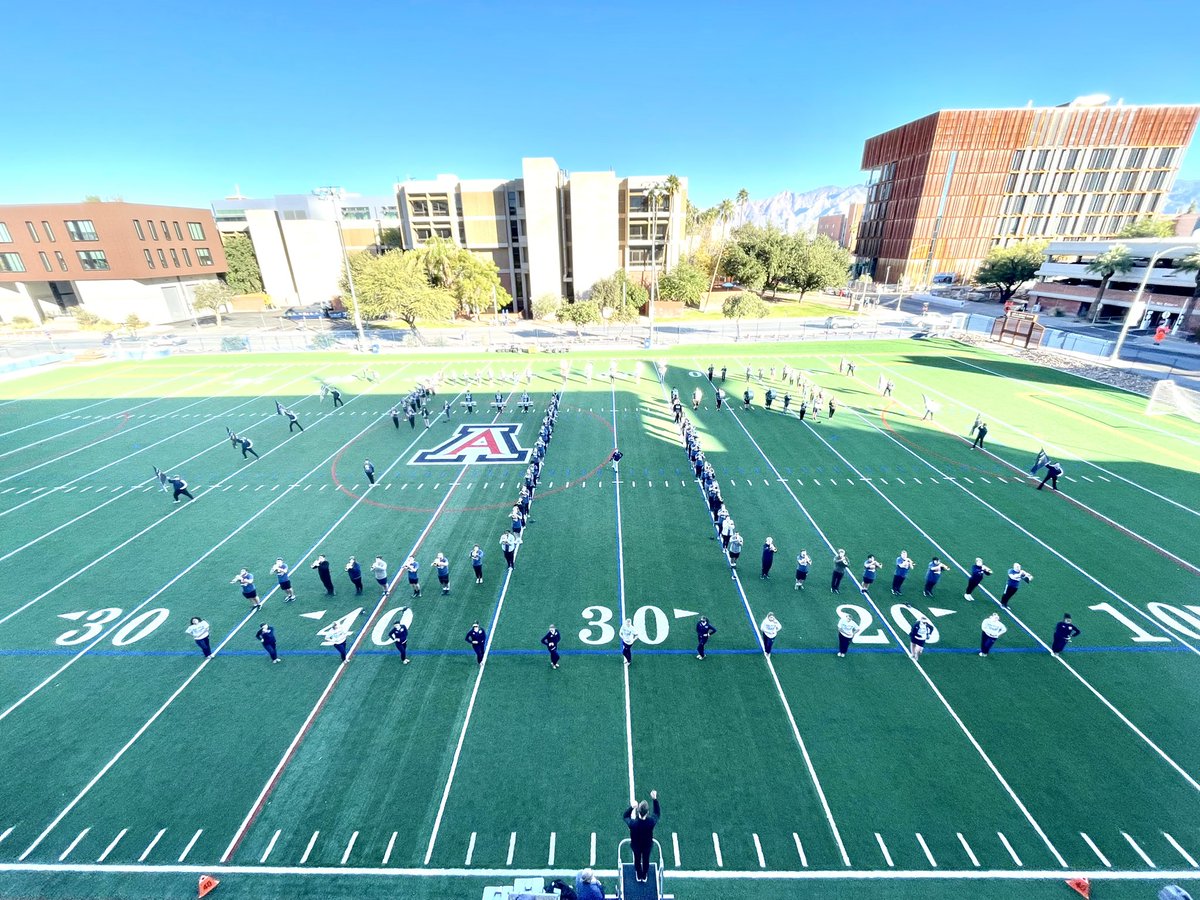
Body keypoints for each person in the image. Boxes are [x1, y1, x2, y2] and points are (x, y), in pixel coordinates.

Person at [623, 791, 661, 883]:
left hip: (636, 846)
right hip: (647, 846)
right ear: (647, 812)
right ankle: (644, 875)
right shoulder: (651, 822)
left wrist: (632, 807)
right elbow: (657, 813)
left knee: (637, 860)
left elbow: (625, 816)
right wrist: (654, 799)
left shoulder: (633, 823)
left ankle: (639, 874)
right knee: (646, 860)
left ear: (638, 811)